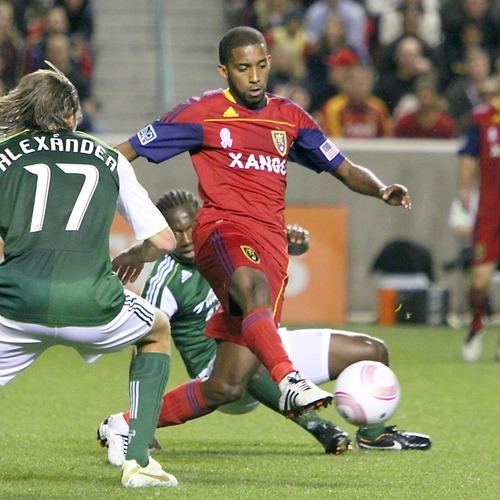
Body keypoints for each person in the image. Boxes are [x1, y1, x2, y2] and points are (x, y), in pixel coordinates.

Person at [112, 26, 411, 430]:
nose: (253, 76)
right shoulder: (201, 112)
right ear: (223, 71)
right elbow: (125, 153)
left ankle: (124, 424)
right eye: (242, 68)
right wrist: (81, 173)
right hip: (221, 231)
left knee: (226, 385)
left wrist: (380, 189)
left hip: (270, 244)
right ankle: (289, 377)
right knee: (252, 288)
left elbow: (342, 167)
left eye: (260, 66)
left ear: (269, 63)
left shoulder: (290, 118)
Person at [97, 190, 430, 466]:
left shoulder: (225, 243)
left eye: (191, 227)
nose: (185, 239)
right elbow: (149, 346)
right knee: (248, 359)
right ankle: (319, 426)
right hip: (219, 373)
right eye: (175, 230)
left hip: (264, 345)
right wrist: (143, 415)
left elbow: (273, 252)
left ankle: (375, 435)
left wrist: (292, 245)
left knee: (372, 351)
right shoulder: (166, 279)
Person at [0, 65, 178, 488]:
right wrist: (137, 252)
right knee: (156, 330)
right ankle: (138, 462)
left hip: (16, 306)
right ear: (73, 116)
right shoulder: (110, 157)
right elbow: (165, 241)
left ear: (23, 112)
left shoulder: (2, 157)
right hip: (95, 304)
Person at [457, 76, 500, 362]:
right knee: (479, 282)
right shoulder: (484, 118)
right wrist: (463, 187)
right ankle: (477, 322)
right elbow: (468, 154)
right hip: (490, 208)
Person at [321, 63, 392, 138]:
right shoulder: (333, 107)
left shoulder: (379, 107)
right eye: (356, 81)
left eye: (365, 81)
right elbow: (333, 139)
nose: (361, 85)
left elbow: (387, 137)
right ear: (346, 83)